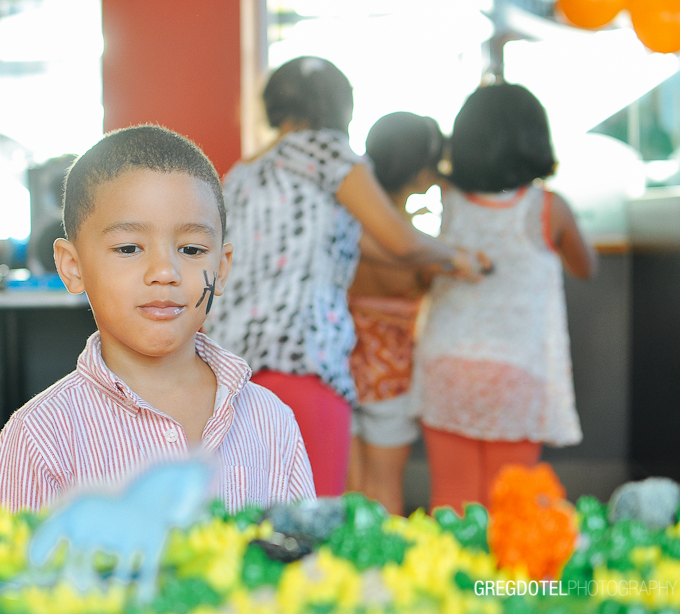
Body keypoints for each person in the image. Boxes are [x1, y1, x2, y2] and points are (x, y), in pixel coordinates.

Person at [0, 125, 316, 511]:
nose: (165, 270)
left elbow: (303, 564)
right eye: (129, 248)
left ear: (222, 268)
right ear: (73, 267)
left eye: (192, 249)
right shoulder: (40, 438)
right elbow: (24, 569)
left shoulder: (270, 421)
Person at [206, 57, 486, 496]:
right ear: (343, 108)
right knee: (314, 528)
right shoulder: (326, 151)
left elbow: (361, 241)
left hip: (227, 376)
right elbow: (400, 241)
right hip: (301, 363)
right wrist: (458, 257)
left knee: (249, 525)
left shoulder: (241, 174)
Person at [408, 83, 597, 512]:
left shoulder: (449, 200)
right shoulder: (549, 208)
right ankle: (506, 581)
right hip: (516, 372)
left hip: (447, 365)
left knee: (452, 499)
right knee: (511, 504)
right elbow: (586, 267)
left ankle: (446, 578)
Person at [346, 112, 443, 514]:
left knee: (346, 490)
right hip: (392, 372)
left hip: (340, 362)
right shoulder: (416, 244)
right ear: (422, 174)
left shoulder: (347, 226)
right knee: (386, 488)